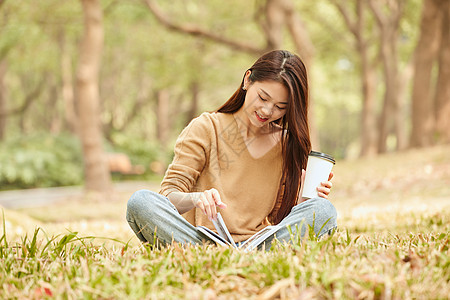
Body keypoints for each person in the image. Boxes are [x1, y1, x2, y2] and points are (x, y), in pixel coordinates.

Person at [126, 50, 337, 249]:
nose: (267, 110)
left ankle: (239, 259)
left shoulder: (286, 144)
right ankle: (209, 254)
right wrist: (196, 198)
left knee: (324, 210)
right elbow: (168, 196)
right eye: (263, 98)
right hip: (198, 239)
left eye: (280, 107)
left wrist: (303, 200)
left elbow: (279, 222)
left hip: (256, 245)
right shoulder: (207, 127)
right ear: (247, 80)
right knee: (141, 202)